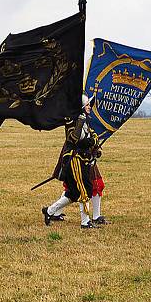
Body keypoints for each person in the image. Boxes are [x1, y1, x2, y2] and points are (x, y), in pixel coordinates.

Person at [42, 94, 100, 229]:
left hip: (83, 159)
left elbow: (94, 137)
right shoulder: (72, 120)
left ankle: (49, 211)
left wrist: (92, 144)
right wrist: (80, 123)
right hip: (75, 159)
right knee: (84, 189)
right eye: (87, 105)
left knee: (73, 193)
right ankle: (85, 222)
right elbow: (73, 139)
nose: (89, 107)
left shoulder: (86, 120)